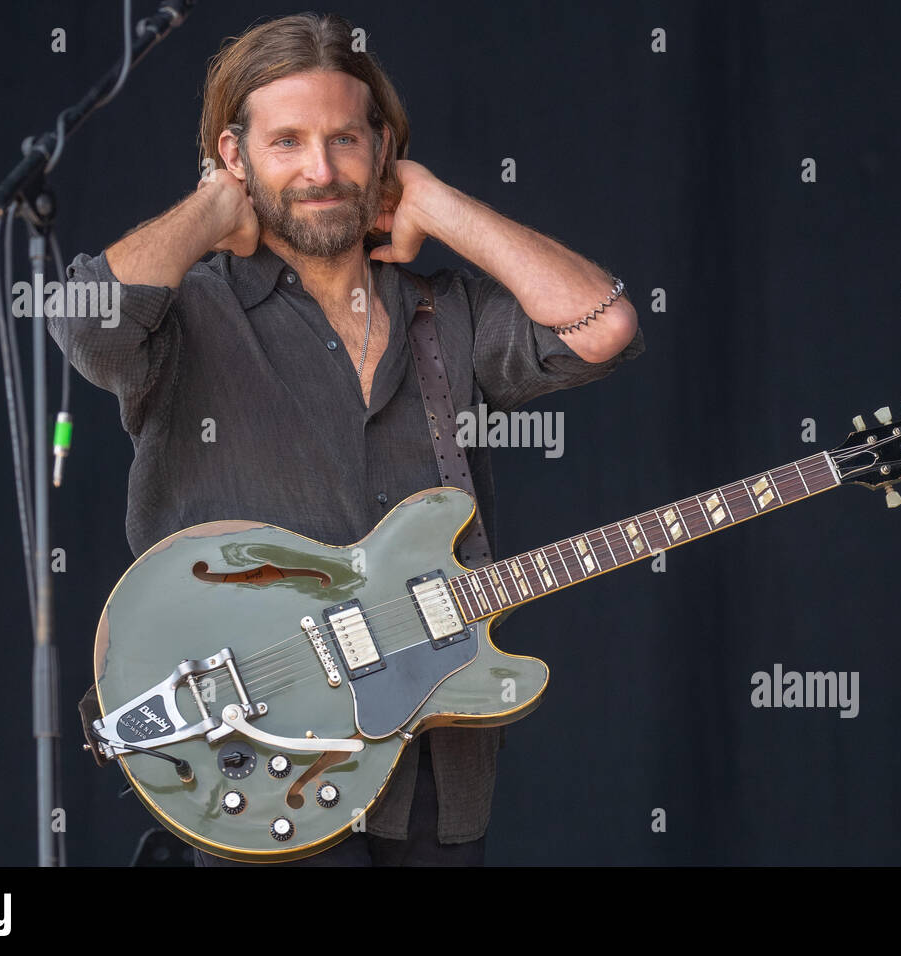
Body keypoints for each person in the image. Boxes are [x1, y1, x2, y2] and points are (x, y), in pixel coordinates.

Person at [51, 12, 644, 866]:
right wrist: (218, 203)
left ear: (384, 151)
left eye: (345, 141)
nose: (320, 171)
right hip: (252, 757)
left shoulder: (447, 313)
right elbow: (83, 325)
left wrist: (437, 203)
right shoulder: (187, 313)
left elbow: (605, 325)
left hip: (436, 755)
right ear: (235, 151)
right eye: (285, 141)